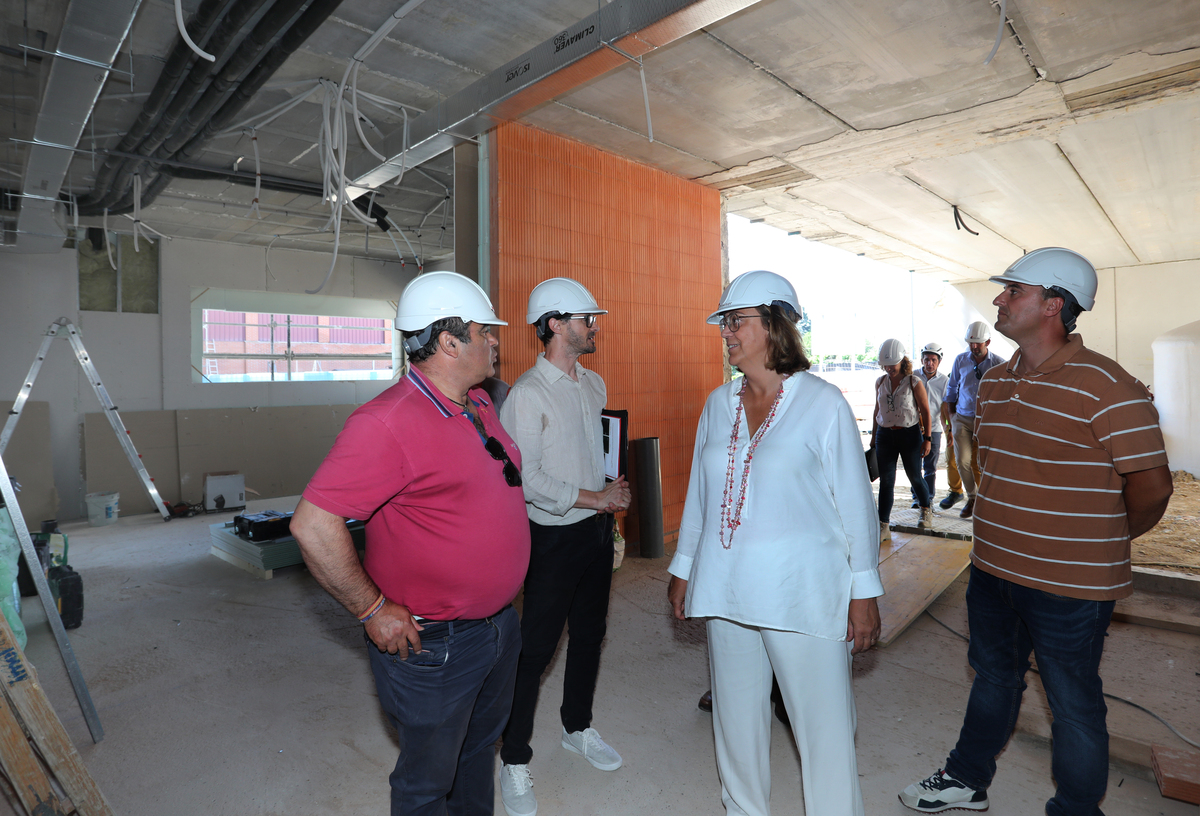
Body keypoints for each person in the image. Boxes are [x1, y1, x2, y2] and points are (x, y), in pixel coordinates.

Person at [899, 248, 1173, 815]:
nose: (998, 299)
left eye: (1012, 291)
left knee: (1073, 703)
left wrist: (1099, 543)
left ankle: (1076, 808)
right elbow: (994, 476)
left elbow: (1152, 488)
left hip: (1069, 586)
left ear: (1053, 305)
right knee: (994, 678)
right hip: (993, 571)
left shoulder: (1107, 386)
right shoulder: (995, 384)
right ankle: (967, 779)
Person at [290, 271, 530, 816]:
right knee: (427, 783)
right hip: (438, 644)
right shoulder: (386, 423)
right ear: (449, 342)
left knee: (475, 756)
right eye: (484, 331)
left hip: (497, 627)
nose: (495, 340)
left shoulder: (478, 403)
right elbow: (312, 524)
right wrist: (372, 609)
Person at [667, 270, 883, 816]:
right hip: (726, 587)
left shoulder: (823, 403)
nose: (726, 334)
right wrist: (685, 564)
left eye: (736, 322)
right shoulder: (718, 405)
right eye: (725, 324)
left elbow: (856, 507)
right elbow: (700, 492)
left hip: (802, 592)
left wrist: (864, 592)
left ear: (773, 324)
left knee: (824, 729)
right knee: (736, 720)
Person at [497, 278, 631, 816]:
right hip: (551, 538)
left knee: (591, 635)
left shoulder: (592, 384)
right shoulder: (526, 395)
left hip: (595, 533)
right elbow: (528, 482)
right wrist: (596, 499)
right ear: (555, 324)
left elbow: (589, 455)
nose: (592, 326)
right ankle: (514, 757)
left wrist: (607, 507)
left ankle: (577, 727)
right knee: (535, 650)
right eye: (584, 319)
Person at [940, 321, 1004, 518]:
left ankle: (989, 501)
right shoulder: (960, 360)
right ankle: (972, 498)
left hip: (986, 421)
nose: (974, 347)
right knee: (962, 461)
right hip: (962, 418)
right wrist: (951, 416)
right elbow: (951, 389)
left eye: (978, 343)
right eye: (971, 343)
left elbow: (1006, 393)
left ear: (988, 342)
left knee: (984, 462)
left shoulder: (999, 364)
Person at [871, 338, 934, 538]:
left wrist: (928, 438)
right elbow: (877, 410)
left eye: (892, 365)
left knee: (914, 475)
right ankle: (883, 525)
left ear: (902, 361)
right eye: (885, 365)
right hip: (884, 435)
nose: (888, 369)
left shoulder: (913, 381)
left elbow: (925, 410)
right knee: (886, 481)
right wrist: (873, 438)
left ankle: (926, 508)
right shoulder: (880, 382)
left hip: (909, 434)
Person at [911, 343, 949, 509]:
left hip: (933, 430)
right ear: (921, 360)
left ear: (939, 362)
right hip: (913, 429)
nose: (930, 363)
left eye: (933, 360)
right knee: (914, 466)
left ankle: (929, 498)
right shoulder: (913, 377)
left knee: (930, 468)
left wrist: (948, 430)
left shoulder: (944, 381)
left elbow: (946, 408)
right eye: (927, 359)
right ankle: (916, 498)